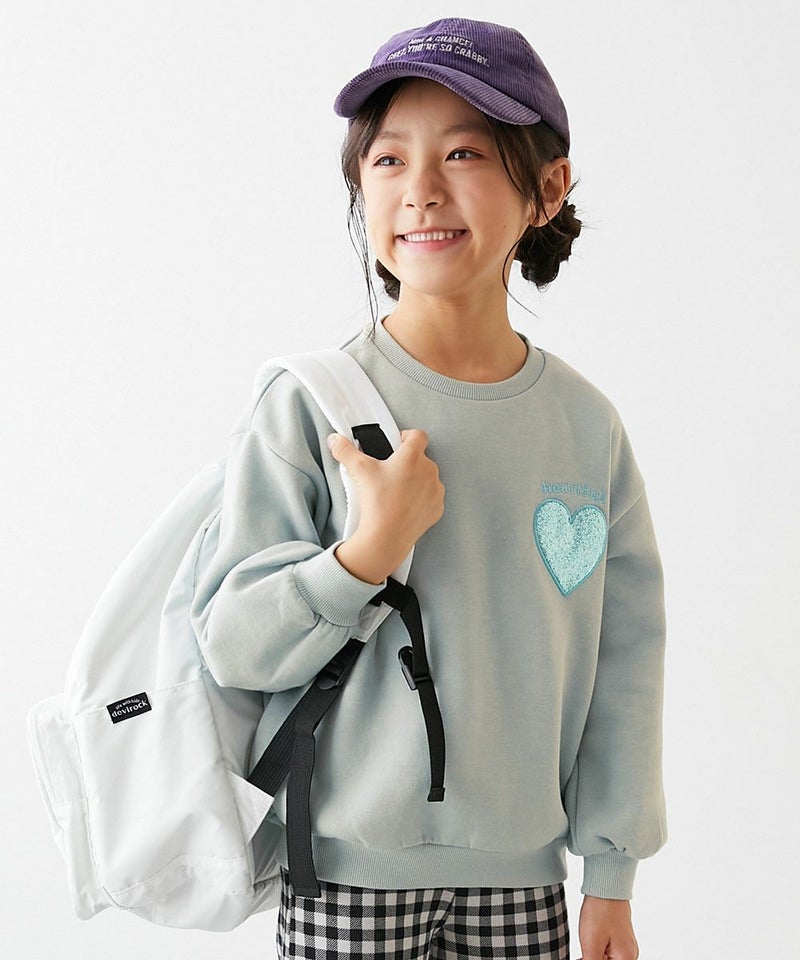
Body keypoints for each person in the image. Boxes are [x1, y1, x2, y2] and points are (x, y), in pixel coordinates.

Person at [190, 16, 667, 960]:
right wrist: (363, 555)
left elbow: (626, 666)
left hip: (524, 882)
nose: (421, 190)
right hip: (342, 876)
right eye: (388, 160)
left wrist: (610, 875)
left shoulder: (586, 425)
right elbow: (232, 643)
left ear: (548, 189)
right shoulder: (311, 406)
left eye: (464, 153)